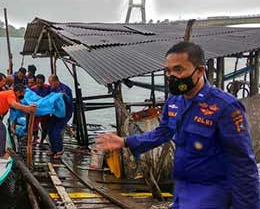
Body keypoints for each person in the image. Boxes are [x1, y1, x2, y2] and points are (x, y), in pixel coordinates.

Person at [96, 42, 259, 208]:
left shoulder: (225, 107)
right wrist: (125, 142)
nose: (171, 76)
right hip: (183, 191)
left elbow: (243, 164)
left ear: (200, 71)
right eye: (168, 70)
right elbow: (162, 133)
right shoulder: (174, 102)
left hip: (212, 194)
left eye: (179, 69)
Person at [0, 83, 36, 159]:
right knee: (1, 130)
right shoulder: (11, 95)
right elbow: (14, 104)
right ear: (18, 92)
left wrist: (26, 109)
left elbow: (17, 105)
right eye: (23, 93)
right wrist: (27, 108)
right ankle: (1, 154)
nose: (24, 95)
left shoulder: (12, 94)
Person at [47, 74, 73, 159]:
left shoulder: (65, 89)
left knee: (56, 131)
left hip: (65, 114)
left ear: (56, 81)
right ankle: (53, 149)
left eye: (51, 83)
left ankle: (59, 150)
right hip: (55, 113)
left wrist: (64, 95)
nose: (50, 85)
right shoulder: (53, 88)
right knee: (50, 130)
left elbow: (69, 101)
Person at [31, 74, 51, 146]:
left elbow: (51, 97)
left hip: (45, 111)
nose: (39, 84)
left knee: (44, 126)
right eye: (37, 82)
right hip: (36, 111)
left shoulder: (48, 88)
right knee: (34, 126)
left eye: (40, 82)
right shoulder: (33, 89)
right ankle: (35, 138)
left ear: (43, 82)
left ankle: (42, 141)